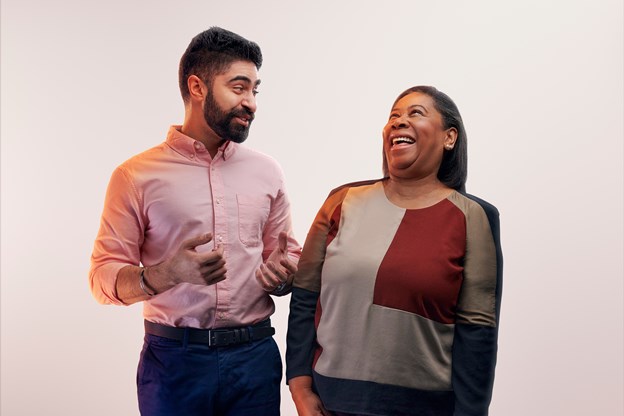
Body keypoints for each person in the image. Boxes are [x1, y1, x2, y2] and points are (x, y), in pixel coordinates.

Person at [89, 27, 301, 416]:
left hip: (254, 359)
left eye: (255, 90)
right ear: (197, 87)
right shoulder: (135, 176)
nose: (251, 102)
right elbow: (102, 279)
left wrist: (284, 276)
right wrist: (166, 274)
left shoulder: (268, 172)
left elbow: (287, 260)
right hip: (174, 363)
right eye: (239, 87)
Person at [286, 86, 503, 416]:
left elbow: (478, 333)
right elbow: (305, 296)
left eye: (415, 113)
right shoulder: (341, 201)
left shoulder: (474, 217)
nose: (399, 122)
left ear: (449, 137)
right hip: (332, 405)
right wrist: (299, 385)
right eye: (393, 117)